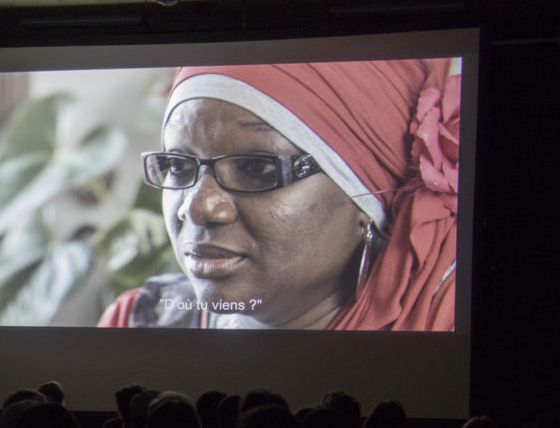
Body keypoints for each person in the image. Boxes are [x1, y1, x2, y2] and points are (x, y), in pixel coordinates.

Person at [100, 59, 459, 330]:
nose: (198, 208)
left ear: (365, 197)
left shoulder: (445, 327)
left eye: (258, 168)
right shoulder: (137, 322)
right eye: (178, 166)